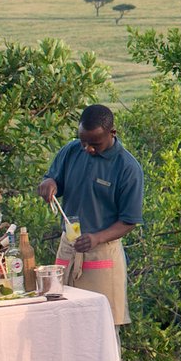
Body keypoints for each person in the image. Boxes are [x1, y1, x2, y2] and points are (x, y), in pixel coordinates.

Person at [37, 104, 144, 326]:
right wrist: (49, 183)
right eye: (83, 141)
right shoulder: (72, 151)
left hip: (102, 251)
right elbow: (53, 179)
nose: (88, 149)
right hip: (69, 246)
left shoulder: (127, 168)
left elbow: (129, 221)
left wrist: (97, 238)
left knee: (100, 323)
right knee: (63, 316)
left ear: (112, 133)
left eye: (95, 144)